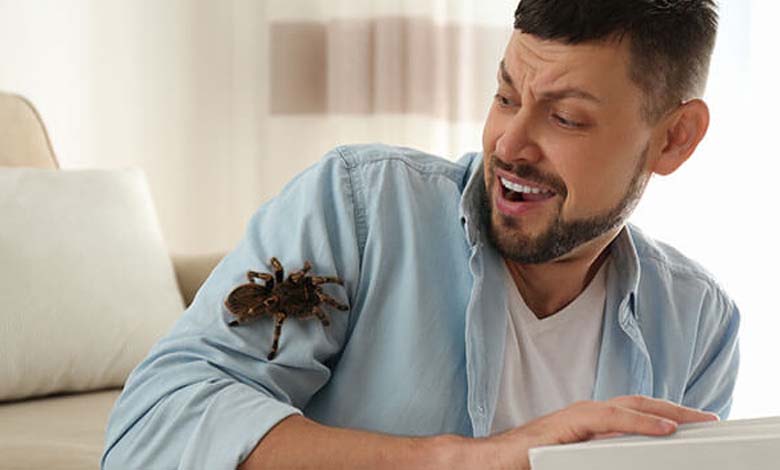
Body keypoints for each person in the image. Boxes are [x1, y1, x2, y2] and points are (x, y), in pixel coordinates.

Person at [101, 1, 740, 469]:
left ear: (674, 138)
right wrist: (467, 461)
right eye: (506, 95)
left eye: (567, 118)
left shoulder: (698, 324)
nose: (509, 145)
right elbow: (152, 428)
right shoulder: (359, 207)